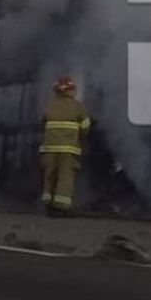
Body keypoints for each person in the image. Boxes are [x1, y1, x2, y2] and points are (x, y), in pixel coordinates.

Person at [38, 75, 91, 215]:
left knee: (50, 176)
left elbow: (42, 122)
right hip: (68, 149)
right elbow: (86, 127)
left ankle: (48, 203)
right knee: (65, 177)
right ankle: (61, 207)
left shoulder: (50, 105)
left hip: (49, 148)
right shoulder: (78, 106)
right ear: (71, 90)